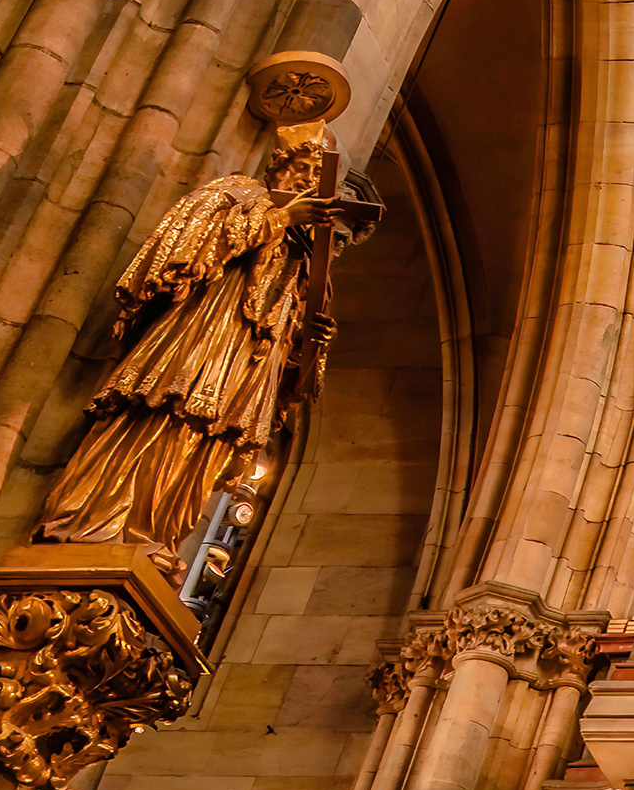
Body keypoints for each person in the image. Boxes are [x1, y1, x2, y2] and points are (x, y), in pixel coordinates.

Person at [37, 121, 378, 574]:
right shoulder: (235, 194)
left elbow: (292, 382)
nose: (311, 186)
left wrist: (311, 347)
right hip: (202, 340)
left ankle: (155, 538)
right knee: (160, 418)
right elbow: (178, 259)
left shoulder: (307, 261)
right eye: (308, 170)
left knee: (205, 448)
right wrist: (281, 217)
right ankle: (96, 522)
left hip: (247, 373)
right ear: (283, 164)